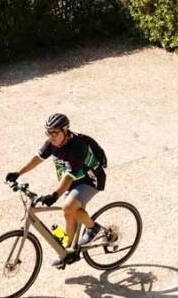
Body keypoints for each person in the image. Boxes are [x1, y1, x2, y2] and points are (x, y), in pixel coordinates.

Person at [6, 113, 108, 269]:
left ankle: (93, 228)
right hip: (74, 181)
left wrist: (54, 195)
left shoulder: (77, 147)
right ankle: (67, 252)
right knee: (69, 213)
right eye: (48, 132)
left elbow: (68, 177)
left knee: (69, 206)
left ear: (65, 131)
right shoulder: (52, 143)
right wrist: (18, 173)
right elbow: (37, 159)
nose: (51, 136)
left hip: (90, 179)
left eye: (55, 132)